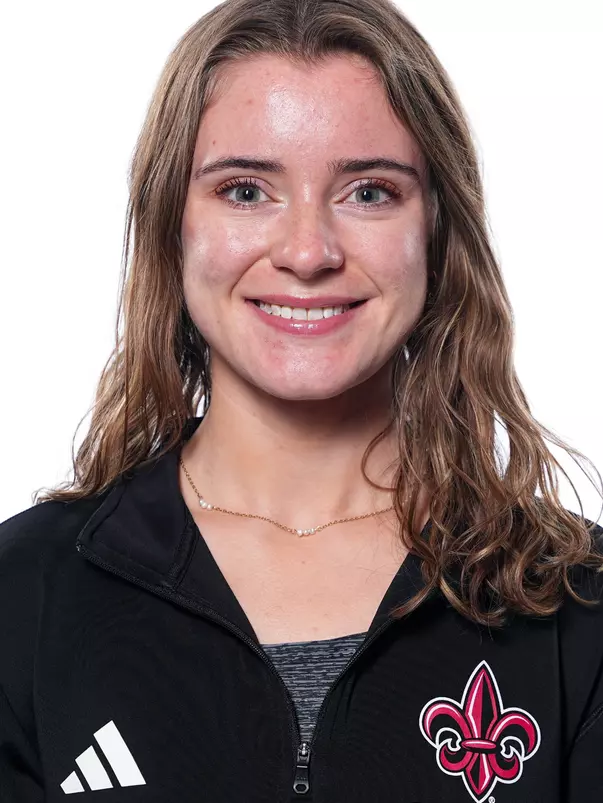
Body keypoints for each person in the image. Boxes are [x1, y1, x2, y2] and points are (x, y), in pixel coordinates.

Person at [1, 0, 602, 800]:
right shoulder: (21, 598)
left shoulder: (578, 604)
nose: (308, 252)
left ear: (436, 231)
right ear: (171, 226)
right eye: (246, 191)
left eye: (369, 192)